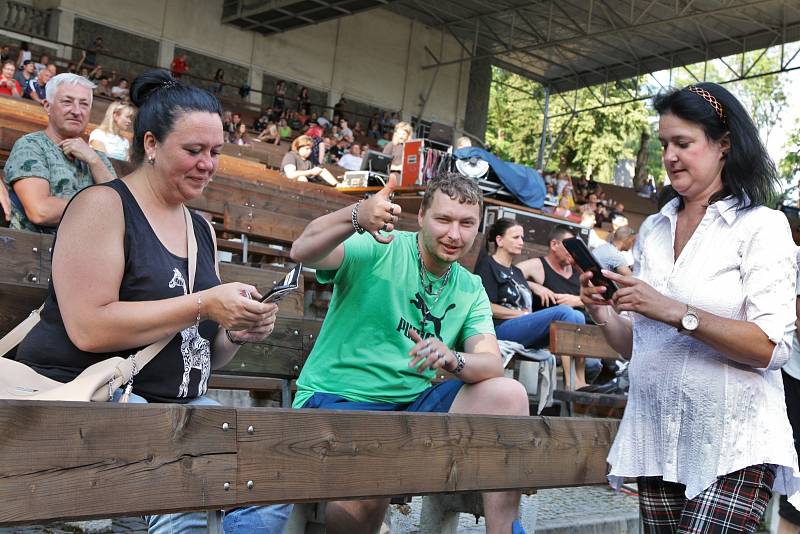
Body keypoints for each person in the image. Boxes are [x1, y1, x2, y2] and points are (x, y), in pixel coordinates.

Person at [11, 69, 292, 533]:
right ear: (152, 144)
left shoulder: (200, 228)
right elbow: (88, 326)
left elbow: (205, 352)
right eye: (193, 150)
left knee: (273, 474)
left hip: (178, 408)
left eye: (216, 152)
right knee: (185, 479)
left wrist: (237, 331)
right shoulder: (103, 205)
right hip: (91, 403)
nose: (208, 164)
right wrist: (203, 304)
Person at [580, 82, 800, 532]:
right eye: (664, 144)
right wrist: (602, 310)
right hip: (656, 439)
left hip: (733, 445)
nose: (670, 156)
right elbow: (636, 348)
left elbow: (770, 347)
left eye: (683, 143)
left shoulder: (762, 226)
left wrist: (676, 311)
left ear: (723, 144)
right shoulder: (655, 231)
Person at [289, 172, 530, 534]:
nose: (454, 235)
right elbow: (303, 250)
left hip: (413, 407)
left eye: (467, 224)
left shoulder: (470, 286)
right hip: (340, 398)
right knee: (374, 481)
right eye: (443, 220)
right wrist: (356, 215)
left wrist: (453, 358)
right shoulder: (379, 245)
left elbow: (491, 362)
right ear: (420, 217)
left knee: (509, 394)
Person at [3, 73, 117, 233]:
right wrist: (101, 209)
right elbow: (40, 211)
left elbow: (121, 207)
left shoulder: (97, 157)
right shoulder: (31, 146)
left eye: (84, 104)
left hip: (88, 252)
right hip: (36, 250)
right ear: (47, 106)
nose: (77, 111)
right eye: (67, 102)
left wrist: (94, 160)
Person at [475, 218, 587, 351]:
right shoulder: (488, 265)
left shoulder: (516, 272)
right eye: (516, 237)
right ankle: (569, 372)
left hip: (523, 328)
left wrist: (534, 287)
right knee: (564, 311)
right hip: (499, 329)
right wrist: (521, 315)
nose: (521, 242)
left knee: (578, 316)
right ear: (500, 240)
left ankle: (576, 371)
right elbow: (485, 307)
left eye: (522, 238)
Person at [516, 225, 601, 389]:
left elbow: (600, 297)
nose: (572, 252)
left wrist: (577, 300)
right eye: (568, 246)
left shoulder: (579, 270)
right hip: (548, 338)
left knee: (594, 361)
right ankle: (574, 385)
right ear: (554, 245)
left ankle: (579, 387)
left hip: (583, 340)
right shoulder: (538, 265)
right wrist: (534, 286)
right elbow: (510, 274)